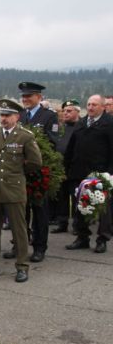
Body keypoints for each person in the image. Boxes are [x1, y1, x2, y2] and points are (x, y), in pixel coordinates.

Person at [0, 99, 42, 283]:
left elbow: (36, 162)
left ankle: (22, 267)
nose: (3, 119)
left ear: (17, 117)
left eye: (7, 115)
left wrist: (17, 173)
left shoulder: (25, 136)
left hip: (14, 189)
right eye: (2, 115)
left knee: (19, 231)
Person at [65, 95, 113, 253]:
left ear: (103, 107)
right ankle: (82, 237)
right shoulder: (82, 123)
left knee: (102, 208)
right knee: (81, 207)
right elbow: (71, 147)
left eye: (94, 105)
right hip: (79, 172)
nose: (91, 107)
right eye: (89, 104)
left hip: (100, 174)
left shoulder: (109, 123)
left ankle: (102, 239)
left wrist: (109, 174)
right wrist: (67, 167)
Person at [17, 81, 59, 262]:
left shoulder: (49, 116)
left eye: (29, 96)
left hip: (39, 171)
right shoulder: (20, 115)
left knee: (40, 210)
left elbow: (53, 142)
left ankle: (40, 247)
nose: (25, 99)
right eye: (24, 96)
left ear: (39, 97)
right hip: (20, 170)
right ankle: (20, 245)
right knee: (21, 211)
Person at [52, 100, 82, 234]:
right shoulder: (61, 127)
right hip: (61, 168)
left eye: (69, 111)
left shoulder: (82, 127)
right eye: (64, 111)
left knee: (76, 198)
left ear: (77, 112)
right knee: (62, 198)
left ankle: (78, 225)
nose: (65, 113)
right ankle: (62, 222)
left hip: (75, 169)